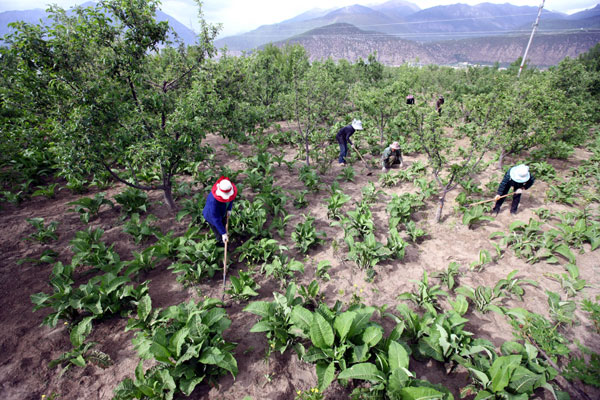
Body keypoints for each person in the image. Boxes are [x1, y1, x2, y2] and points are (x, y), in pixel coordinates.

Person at [202, 176, 237, 246]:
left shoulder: (229, 189)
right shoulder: (213, 202)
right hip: (211, 217)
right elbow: (216, 219)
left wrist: (229, 209)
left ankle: (224, 236)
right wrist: (223, 233)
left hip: (222, 212)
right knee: (219, 233)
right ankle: (221, 244)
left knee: (224, 224)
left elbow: (231, 199)